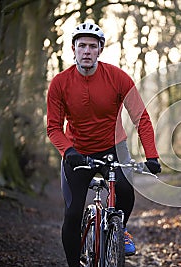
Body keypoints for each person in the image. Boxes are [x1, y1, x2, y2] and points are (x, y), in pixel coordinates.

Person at [46, 22, 161, 267]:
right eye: (82, 46)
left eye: (92, 46)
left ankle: (121, 230)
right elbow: (53, 127)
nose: (86, 51)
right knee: (73, 213)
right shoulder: (60, 83)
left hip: (113, 149)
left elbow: (141, 118)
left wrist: (152, 156)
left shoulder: (118, 78)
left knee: (125, 190)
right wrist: (69, 151)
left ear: (99, 49)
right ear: (73, 49)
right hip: (78, 153)